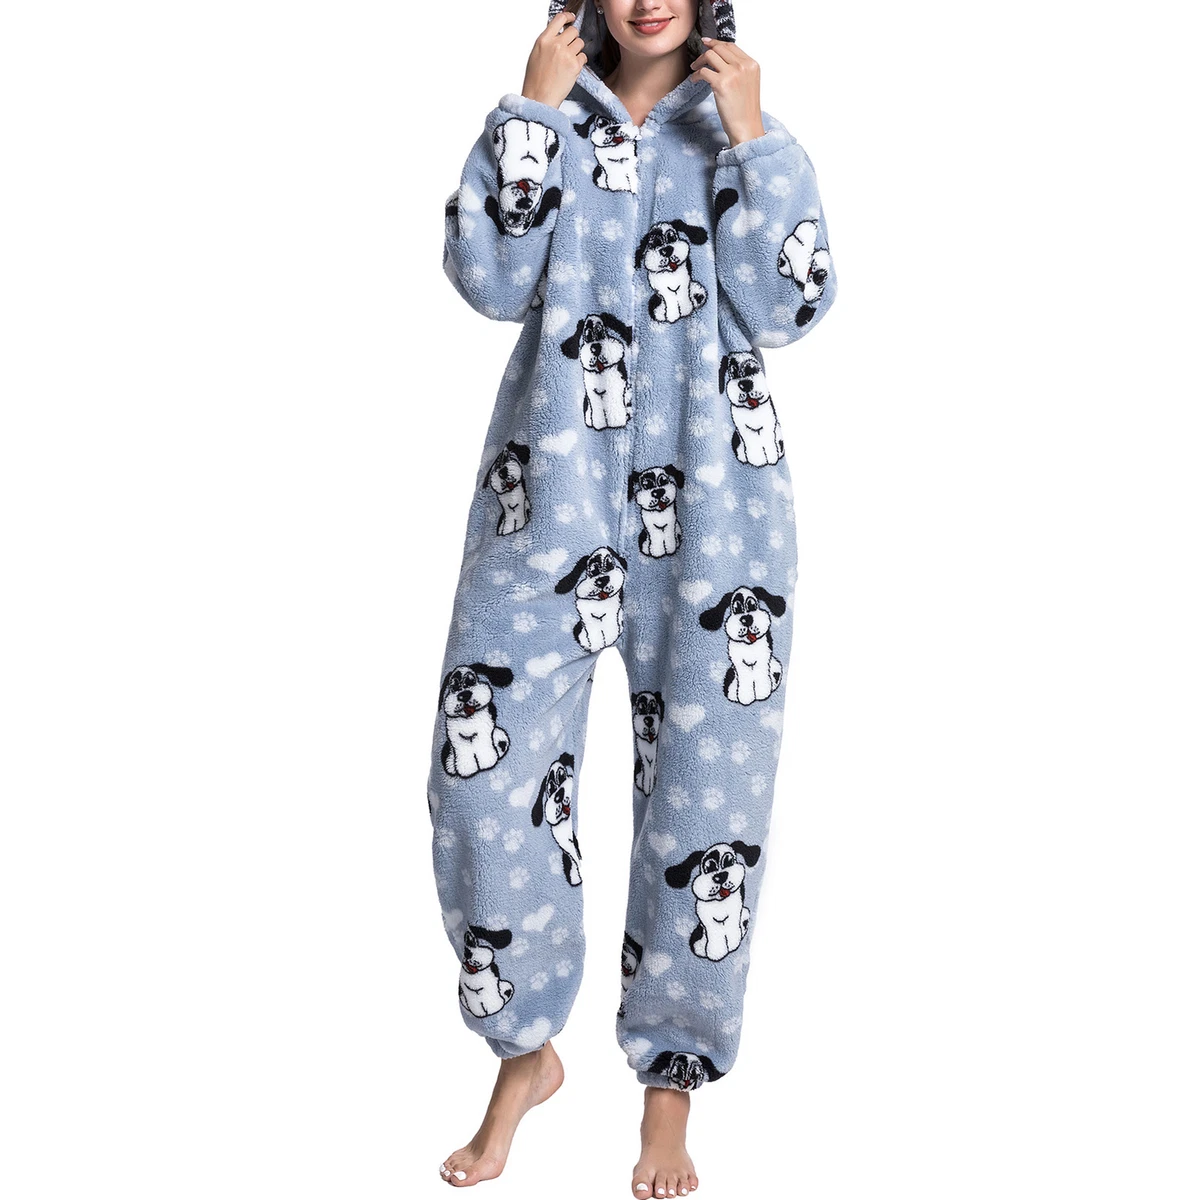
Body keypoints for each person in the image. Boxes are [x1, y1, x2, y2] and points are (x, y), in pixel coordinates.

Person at [429, 1, 837, 1192]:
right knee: (481, 782)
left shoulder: (738, 125)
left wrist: (756, 138)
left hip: (719, 518)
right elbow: (487, 281)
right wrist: (529, 111)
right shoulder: (548, 115)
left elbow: (792, 308)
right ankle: (525, 1052)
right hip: (542, 506)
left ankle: (671, 1090)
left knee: (706, 801)